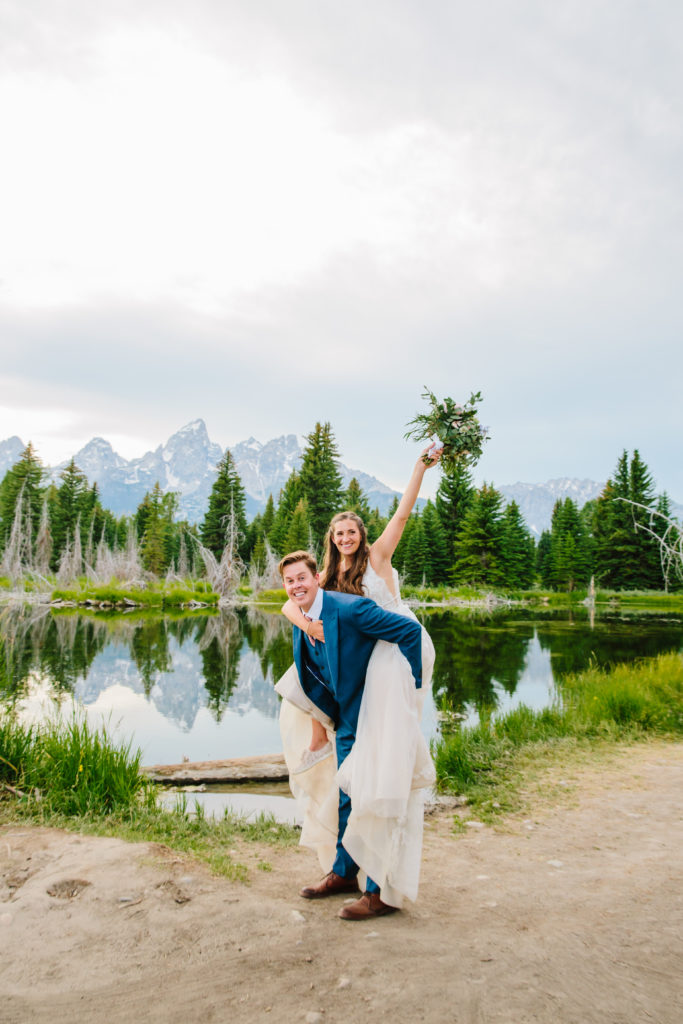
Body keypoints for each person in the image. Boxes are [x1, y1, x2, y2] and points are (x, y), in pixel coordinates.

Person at [275, 447, 439, 916]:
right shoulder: (327, 575)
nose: (346, 537)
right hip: (353, 670)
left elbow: (404, 515)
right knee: (348, 777)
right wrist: (309, 626)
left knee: (380, 777)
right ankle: (345, 869)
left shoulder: (377, 558)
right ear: (331, 538)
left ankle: (382, 886)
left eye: (352, 531)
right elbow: (292, 601)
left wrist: (419, 468)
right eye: (338, 532)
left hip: (388, 666)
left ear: (362, 536)